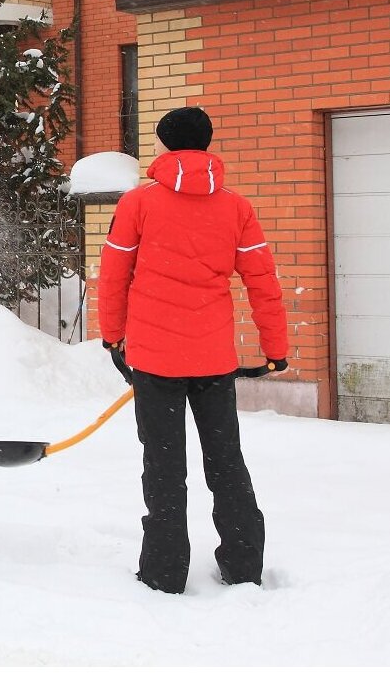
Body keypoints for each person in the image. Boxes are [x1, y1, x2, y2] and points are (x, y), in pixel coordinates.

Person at [98, 106, 288, 594]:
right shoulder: (236, 207)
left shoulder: (138, 204)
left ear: (164, 146)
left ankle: (163, 572)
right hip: (212, 360)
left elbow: (114, 275)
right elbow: (263, 283)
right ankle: (243, 565)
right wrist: (276, 349)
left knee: (164, 466)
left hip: (155, 360)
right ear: (205, 145)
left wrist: (113, 337)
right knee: (225, 460)